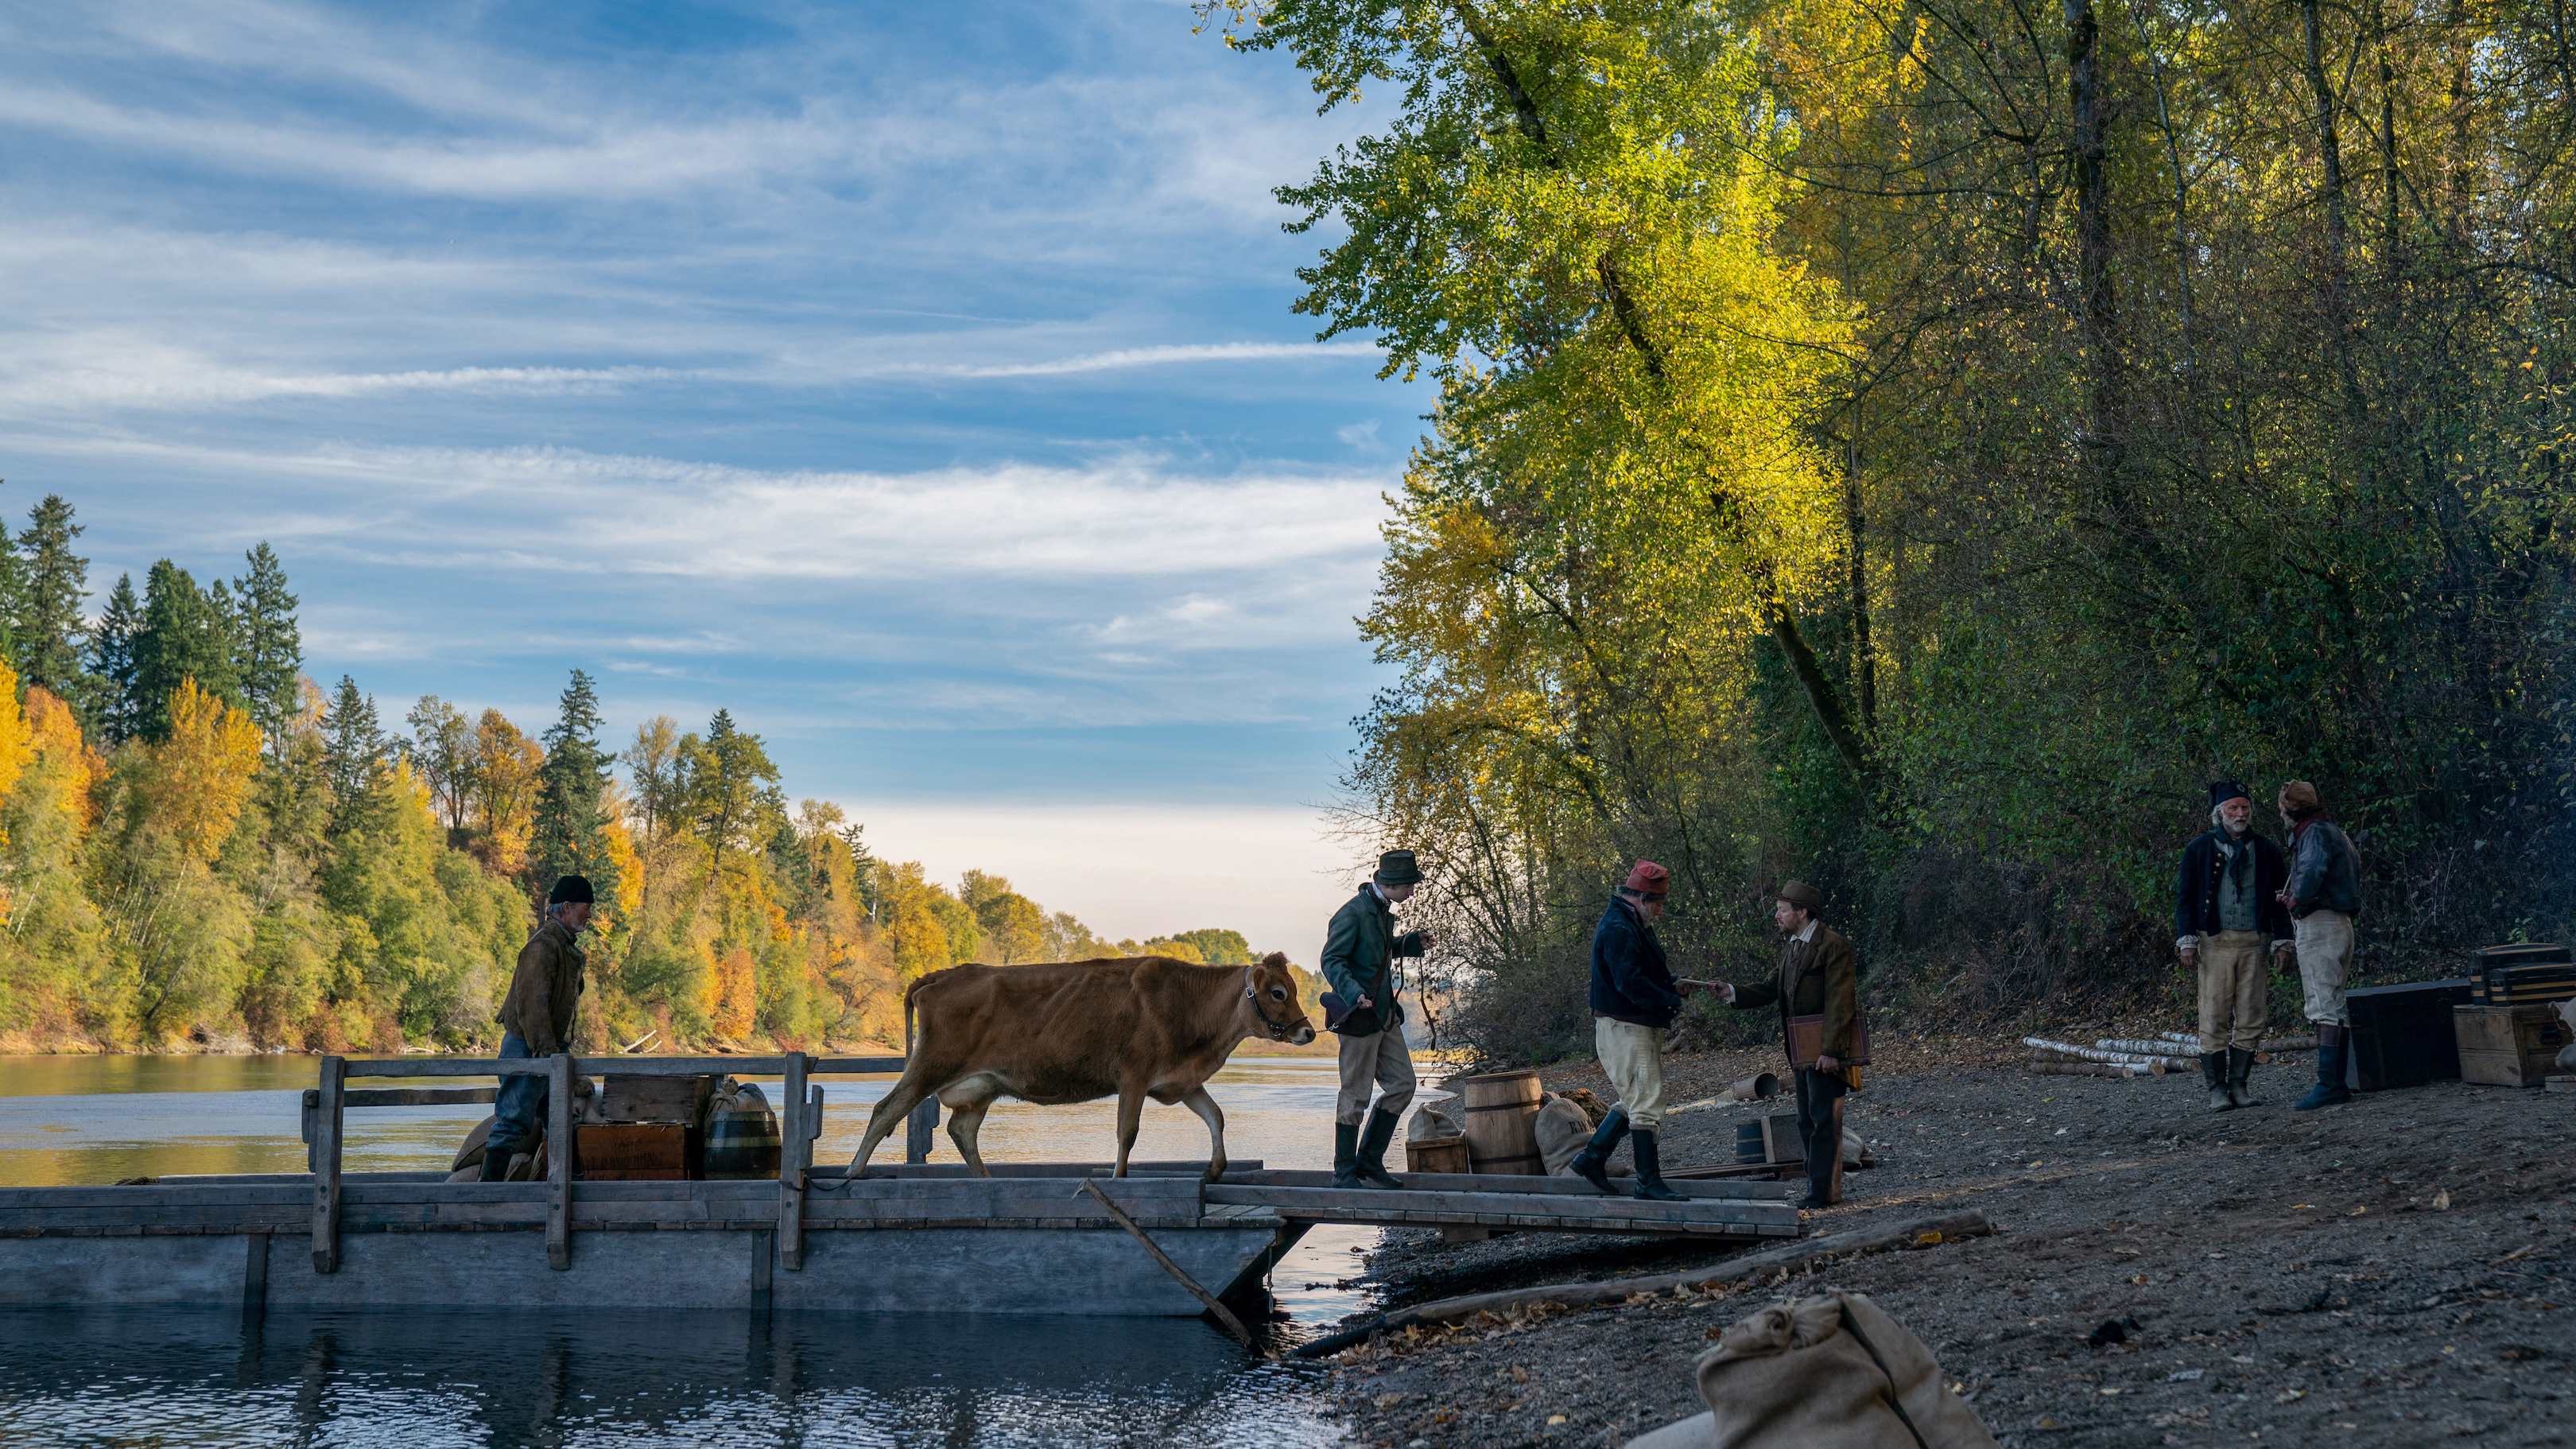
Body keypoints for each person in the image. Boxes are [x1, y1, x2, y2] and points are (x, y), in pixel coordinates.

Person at [1708, 881, 1860, 1210]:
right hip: (1801, 1052)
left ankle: (1824, 1194)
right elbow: (1769, 988)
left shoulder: (1834, 946)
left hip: (1825, 1053)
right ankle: (1817, 1189)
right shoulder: (1792, 948)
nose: (1776, 916)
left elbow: (1840, 1003)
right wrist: (1731, 991)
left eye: (1782, 910)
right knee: (1806, 1121)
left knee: (1824, 1122)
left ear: (1803, 912)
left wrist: (1832, 1052)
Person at [1566, 860, 1693, 1202]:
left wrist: (1671, 985)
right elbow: (1629, 983)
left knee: (1636, 1100)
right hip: (1625, 1027)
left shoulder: (1628, 922)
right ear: (1639, 897)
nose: (1660, 910)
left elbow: (1637, 973)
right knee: (1647, 1104)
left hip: (1628, 1026)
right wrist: (1670, 1001)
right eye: (1658, 903)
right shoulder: (1619, 928)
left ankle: (1591, 1158)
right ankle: (1648, 1184)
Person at [1319, 849, 1438, 1190]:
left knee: (1403, 1085)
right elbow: (1332, 961)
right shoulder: (1352, 913)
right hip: (1358, 1017)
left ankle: (1369, 1162)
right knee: (1355, 1095)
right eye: (1410, 886)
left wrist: (1411, 943)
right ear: (1392, 885)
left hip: (1385, 1017)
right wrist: (1353, 992)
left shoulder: (1381, 911)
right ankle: (1344, 1172)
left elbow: (1378, 952)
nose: (1413, 892)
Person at [2174, 781, 2294, 1111]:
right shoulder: (2198, 850)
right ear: (2219, 813)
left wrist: (2284, 942)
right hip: (2215, 943)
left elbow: (2279, 901)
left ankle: (2239, 1086)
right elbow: (2184, 899)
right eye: (2233, 808)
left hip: (2254, 943)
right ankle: (2216, 1089)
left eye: (2244, 808)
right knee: (2213, 1016)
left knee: (2252, 1015)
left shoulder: (2266, 849)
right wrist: (2187, 942)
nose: (2240, 814)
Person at [482, 876, 594, 1181]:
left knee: (561, 1119)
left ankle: (571, 1188)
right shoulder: (543, 946)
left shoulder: (563, 946)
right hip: (529, 1049)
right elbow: (534, 1008)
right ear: (567, 907)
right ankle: (481, 1199)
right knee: (512, 1122)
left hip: (548, 1051)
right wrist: (551, 1059)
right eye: (586, 908)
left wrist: (558, 1058)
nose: (590, 915)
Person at [2278, 780, 2362, 1111]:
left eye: (2282, 809)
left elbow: (2312, 871)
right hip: (2339, 923)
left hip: (2321, 925)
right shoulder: (2332, 830)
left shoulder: (2312, 834)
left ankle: (2330, 1085)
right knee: (2333, 1003)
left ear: (2290, 809)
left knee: (2324, 1004)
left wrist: (2295, 902)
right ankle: (2333, 1084)